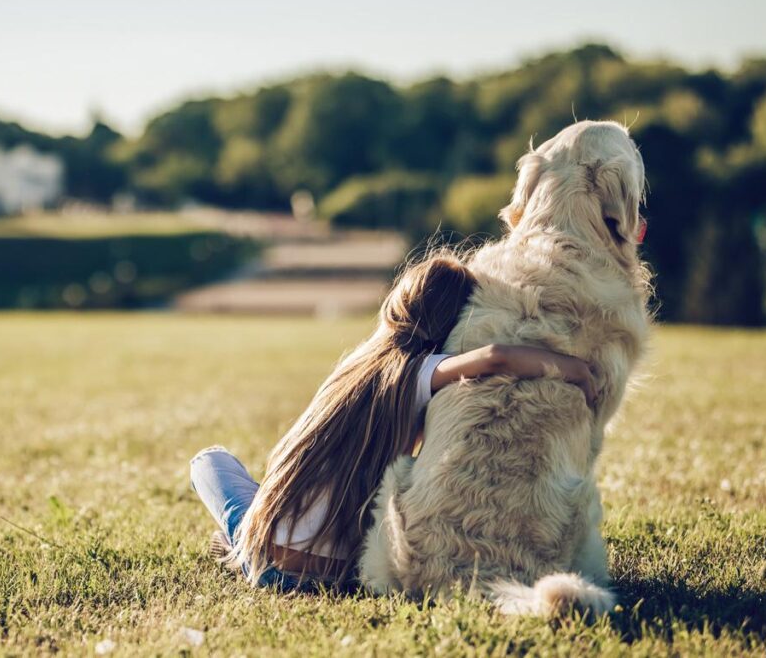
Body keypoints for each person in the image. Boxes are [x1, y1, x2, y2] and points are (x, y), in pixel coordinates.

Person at [188, 248, 597, 591]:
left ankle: (238, 542)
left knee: (210, 461)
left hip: (272, 564)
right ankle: (239, 539)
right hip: (342, 573)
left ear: (400, 300)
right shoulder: (422, 373)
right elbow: (496, 357)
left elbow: (495, 357)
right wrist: (575, 369)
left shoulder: (359, 368)